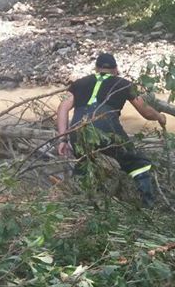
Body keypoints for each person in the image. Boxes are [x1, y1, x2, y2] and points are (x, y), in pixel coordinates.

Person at [56, 53, 166, 207]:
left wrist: (63, 139)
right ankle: (148, 205)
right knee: (138, 163)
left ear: (96, 68)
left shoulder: (79, 83)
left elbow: (62, 108)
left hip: (78, 129)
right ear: (116, 69)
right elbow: (146, 112)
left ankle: (75, 204)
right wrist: (160, 117)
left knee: (85, 162)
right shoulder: (123, 84)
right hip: (106, 127)